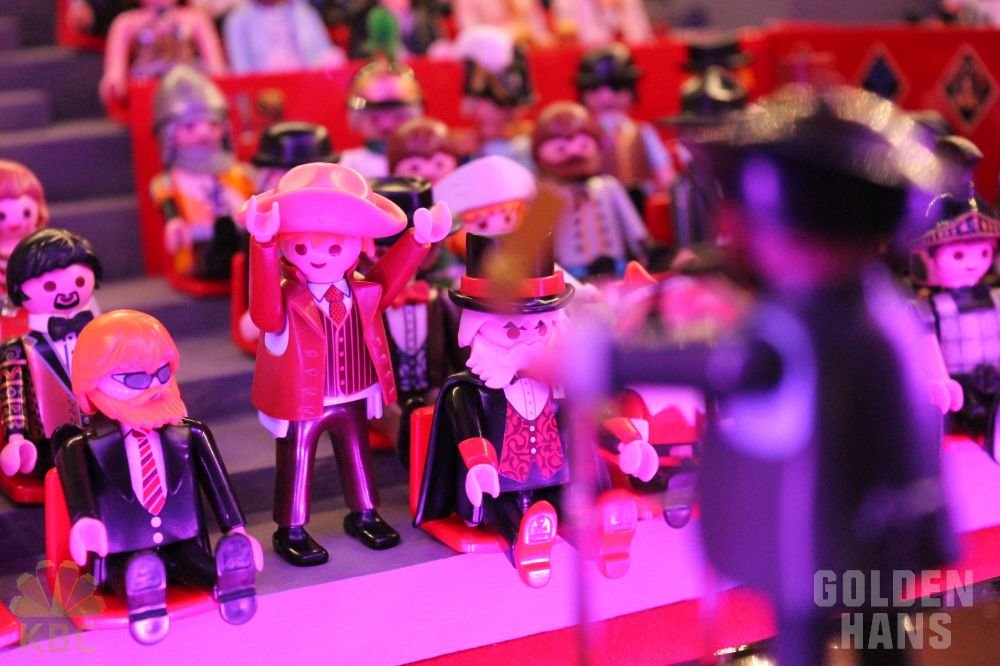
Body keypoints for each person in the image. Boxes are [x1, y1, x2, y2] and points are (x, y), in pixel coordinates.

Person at [595, 84, 956, 664]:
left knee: (814, 635)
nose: (736, 231)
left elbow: (722, 359)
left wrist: (599, 358)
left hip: (824, 528)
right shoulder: (878, 304)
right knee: (880, 629)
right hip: (879, 521)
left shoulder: (812, 322)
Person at [240, 162, 451, 565]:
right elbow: (264, 314)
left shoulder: (364, 293)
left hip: (353, 390)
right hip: (303, 399)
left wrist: (418, 241)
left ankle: (364, 513)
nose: (318, 257)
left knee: (357, 452)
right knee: (297, 459)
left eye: (334, 248)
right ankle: (291, 528)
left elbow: (390, 278)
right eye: (302, 247)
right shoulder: (287, 298)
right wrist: (262, 245)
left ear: (360, 245)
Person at [414, 232, 648, 588]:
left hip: (556, 475)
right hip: (500, 484)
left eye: (539, 326)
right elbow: (468, 429)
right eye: (510, 329)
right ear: (478, 325)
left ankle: (602, 542)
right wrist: (479, 466)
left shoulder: (560, 380)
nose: (526, 337)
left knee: (570, 502)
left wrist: (626, 440)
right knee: (506, 510)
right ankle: (524, 548)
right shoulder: (468, 389)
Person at [55, 310, 263, 645]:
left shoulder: (191, 434)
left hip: (181, 538)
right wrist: (85, 522)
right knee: (132, 569)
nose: (153, 387)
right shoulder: (80, 447)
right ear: (90, 384)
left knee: (196, 562)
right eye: (134, 380)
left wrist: (236, 530)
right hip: (121, 548)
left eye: (163, 374)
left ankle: (228, 584)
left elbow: (217, 485)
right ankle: (144, 599)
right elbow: (78, 491)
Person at [0, 230, 101, 492]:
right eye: (50, 286)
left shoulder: (102, 334)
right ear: (19, 290)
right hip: (51, 443)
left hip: (104, 429)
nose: (67, 292)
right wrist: (16, 438)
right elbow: (13, 397)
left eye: (79, 281)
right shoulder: (19, 349)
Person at [150, 65, 255, 291]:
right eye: (189, 127)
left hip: (242, 239)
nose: (204, 132)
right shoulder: (169, 180)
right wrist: (174, 221)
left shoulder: (240, 172)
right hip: (199, 247)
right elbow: (167, 203)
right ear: (169, 134)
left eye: (213, 124)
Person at [532, 101, 649, 280]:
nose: (573, 153)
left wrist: (645, 249)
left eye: (583, 145)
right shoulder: (546, 196)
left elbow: (635, 229)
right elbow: (534, 241)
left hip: (615, 266)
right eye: (560, 148)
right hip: (571, 274)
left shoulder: (609, 186)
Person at [99, 0, 226, 106]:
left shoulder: (196, 18)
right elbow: (115, 68)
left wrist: (219, 82)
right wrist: (114, 79)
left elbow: (215, 62)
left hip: (189, 87)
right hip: (145, 86)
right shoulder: (126, 22)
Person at [224, 0, 347, 74]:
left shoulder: (303, 11)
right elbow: (241, 71)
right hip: (264, 94)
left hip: (306, 85)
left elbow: (323, 55)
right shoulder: (238, 20)